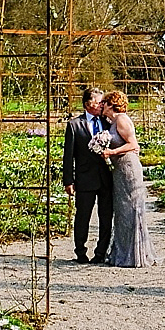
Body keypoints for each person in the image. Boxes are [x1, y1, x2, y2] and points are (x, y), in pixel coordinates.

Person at [99, 90, 159, 267]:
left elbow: (133, 144)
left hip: (128, 168)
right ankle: (123, 253)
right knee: (122, 211)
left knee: (131, 210)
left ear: (111, 104)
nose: (102, 106)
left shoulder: (122, 119)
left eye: (104, 103)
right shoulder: (113, 121)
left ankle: (135, 255)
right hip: (119, 169)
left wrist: (112, 152)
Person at [61, 86, 113, 263]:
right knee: (83, 216)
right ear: (87, 104)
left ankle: (101, 252)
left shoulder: (108, 122)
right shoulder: (75, 125)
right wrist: (69, 181)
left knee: (106, 217)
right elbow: (68, 155)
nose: (101, 105)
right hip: (85, 178)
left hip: (106, 178)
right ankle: (80, 252)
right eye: (99, 102)